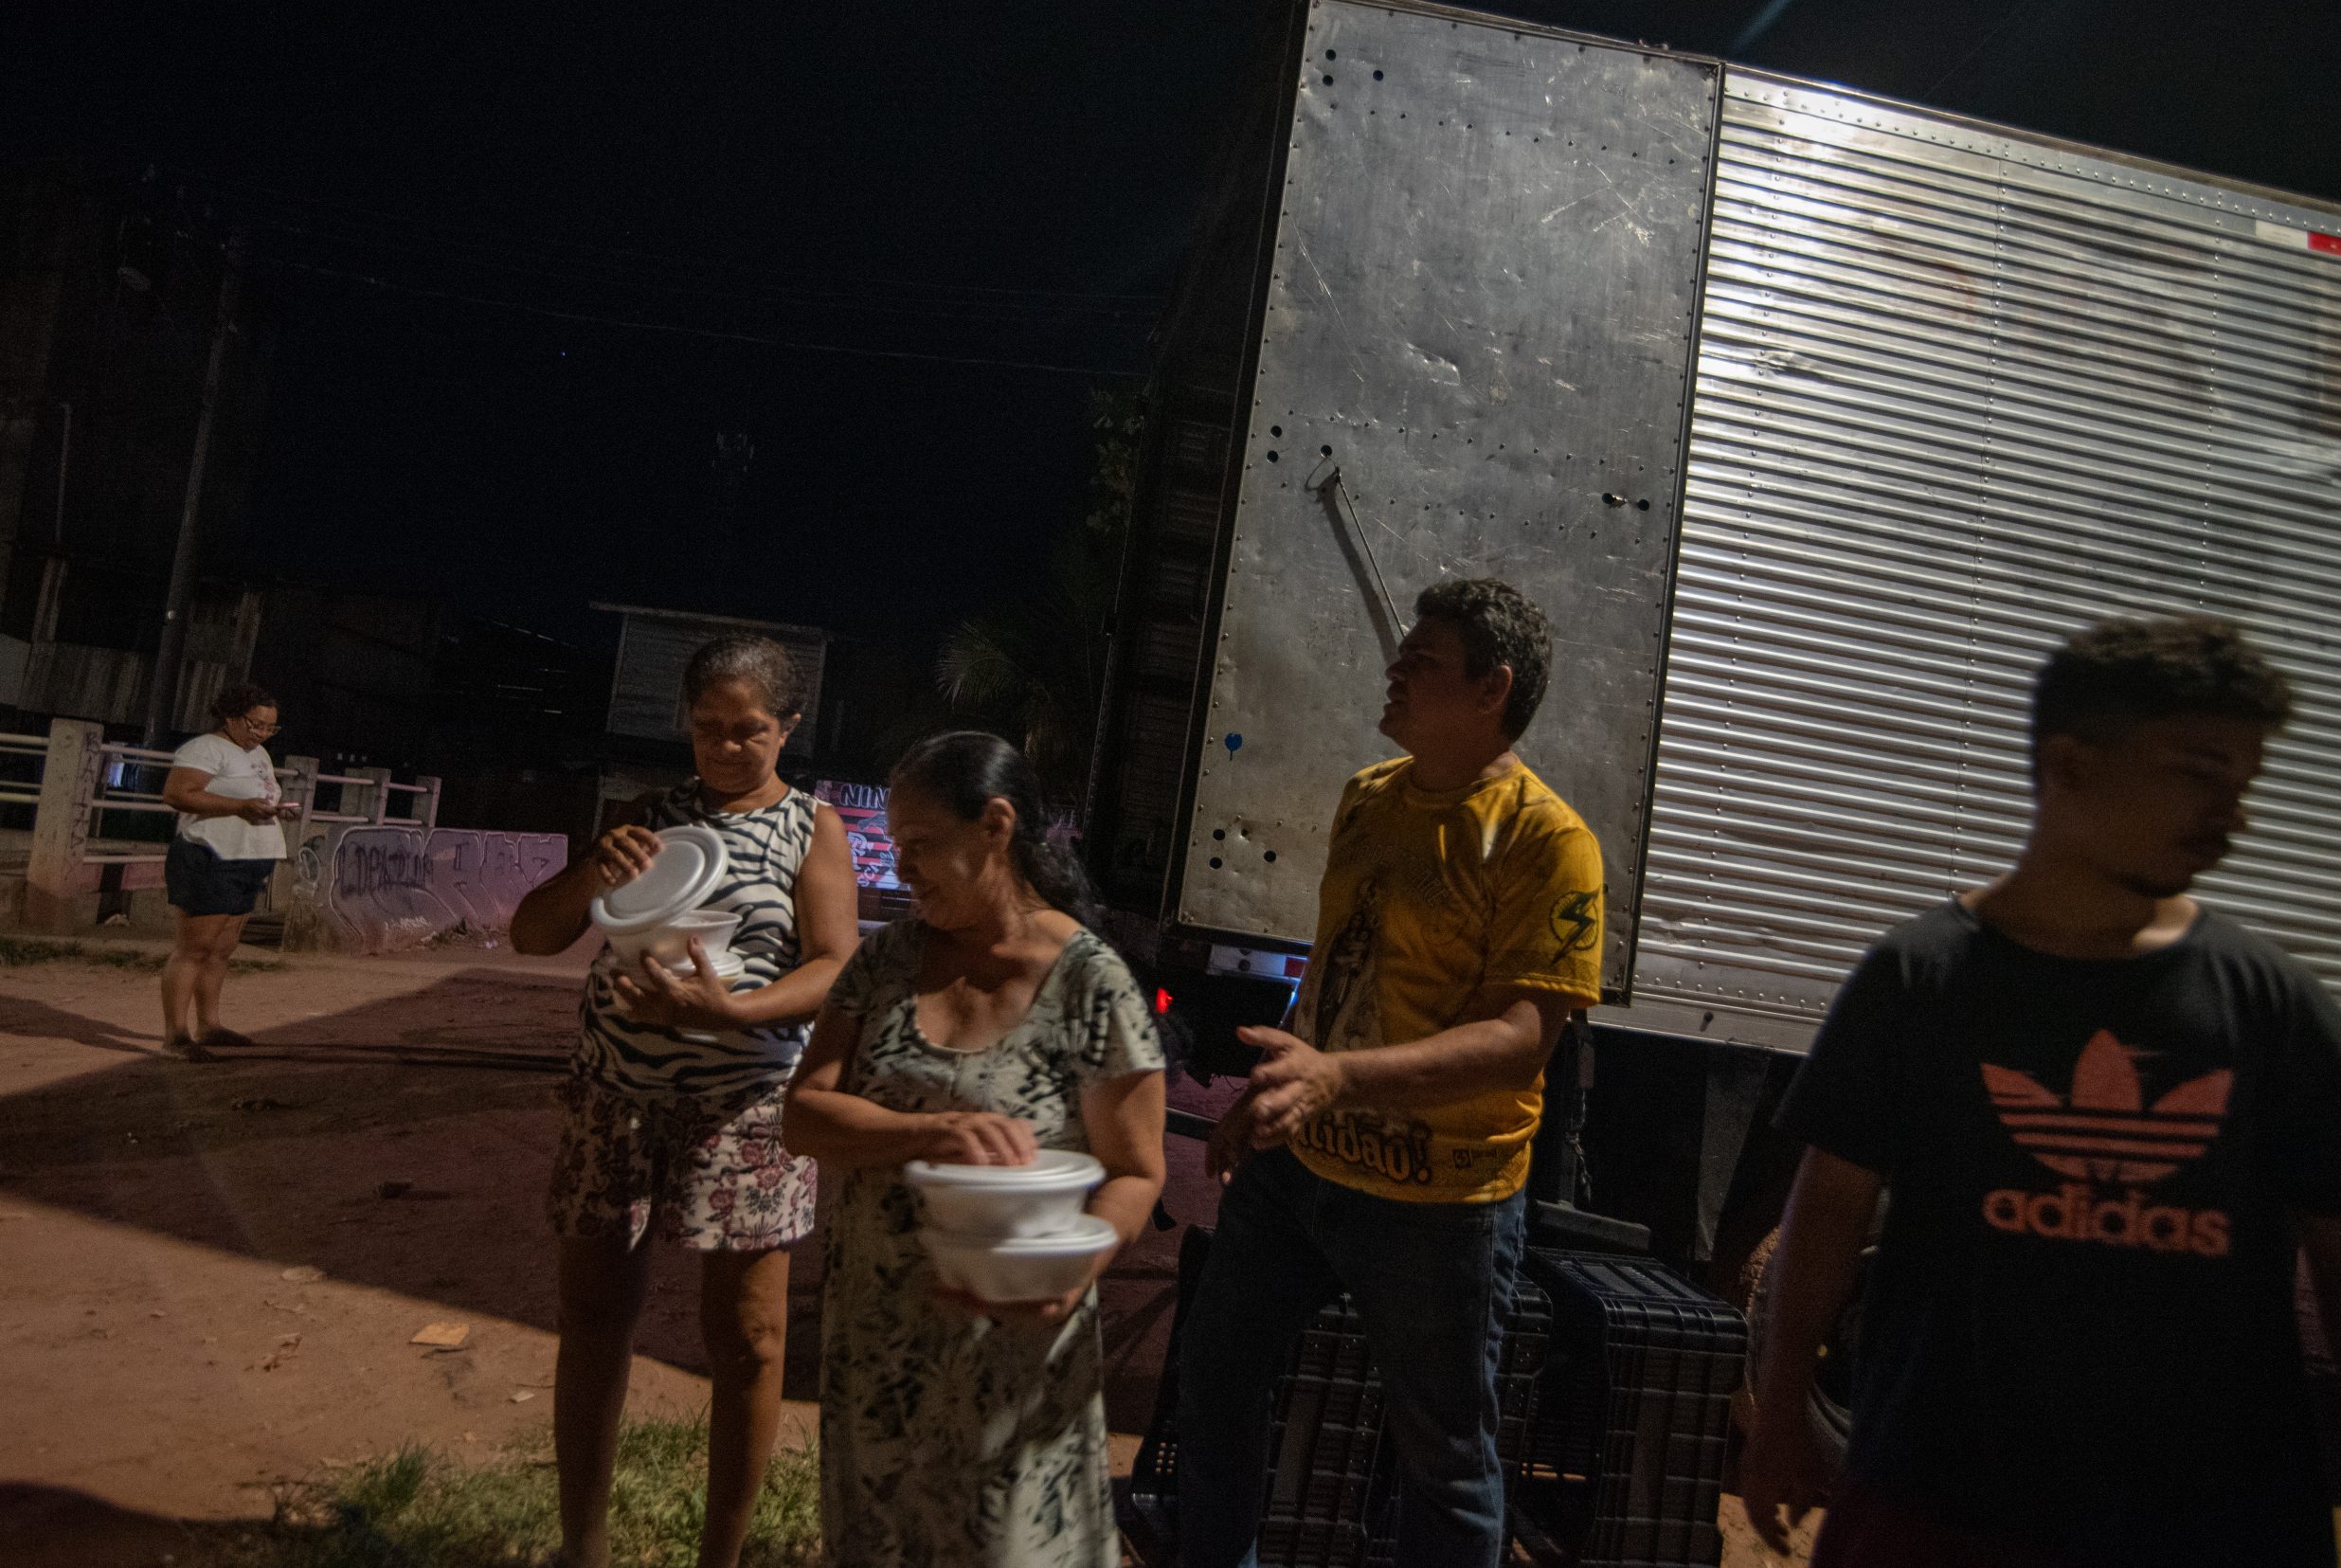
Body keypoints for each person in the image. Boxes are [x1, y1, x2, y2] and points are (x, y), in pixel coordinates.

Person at [1739, 615, 2341, 1568]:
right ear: (2065, 766)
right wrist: (1778, 1417)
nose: (2232, 815)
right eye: (2196, 772)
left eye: (2241, 782)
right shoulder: (1921, 978)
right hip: (1937, 1503)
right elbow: (1825, 1208)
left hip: (2213, 1521)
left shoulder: (2271, 1003)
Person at [1175, 577, 1606, 1567]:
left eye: (1421, 661)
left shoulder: (1550, 840)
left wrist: (1339, 1079)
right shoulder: (1370, 797)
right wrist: (1278, 1085)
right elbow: (1339, 970)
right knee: (1215, 1375)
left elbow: (1521, 1036)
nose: (1394, 671)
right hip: (1299, 1169)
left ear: (1492, 687)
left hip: (1440, 1202)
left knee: (1443, 1459)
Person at [510, 634, 858, 1568]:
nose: (726, 747)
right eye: (707, 728)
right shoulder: (645, 815)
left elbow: (834, 967)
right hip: (613, 1095)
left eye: (748, 730)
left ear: (787, 727)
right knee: (592, 1314)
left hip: (744, 1106)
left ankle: (722, 1555)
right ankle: (582, 1543)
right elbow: (532, 936)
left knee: (748, 1336)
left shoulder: (811, 829)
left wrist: (730, 1007)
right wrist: (592, 868)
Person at [783, 730, 1166, 1568]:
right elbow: (804, 1115)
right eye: (895, 842)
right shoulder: (884, 961)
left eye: (921, 843)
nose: (902, 864)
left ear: (994, 827)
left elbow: (1138, 1172)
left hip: (1013, 1361)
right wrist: (932, 1130)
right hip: (878, 1353)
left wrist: (1079, 1265)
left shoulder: (1090, 982)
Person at [158, 682, 289, 1059]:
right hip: (209, 856)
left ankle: (210, 1025)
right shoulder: (205, 748)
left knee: (222, 949)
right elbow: (179, 794)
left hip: (247, 857)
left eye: (270, 727)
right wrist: (238, 806)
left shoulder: (258, 753)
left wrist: (273, 809)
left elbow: (252, 797)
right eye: (255, 724)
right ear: (231, 717)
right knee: (193, 950)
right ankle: (176, 1036)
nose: (261, 733)